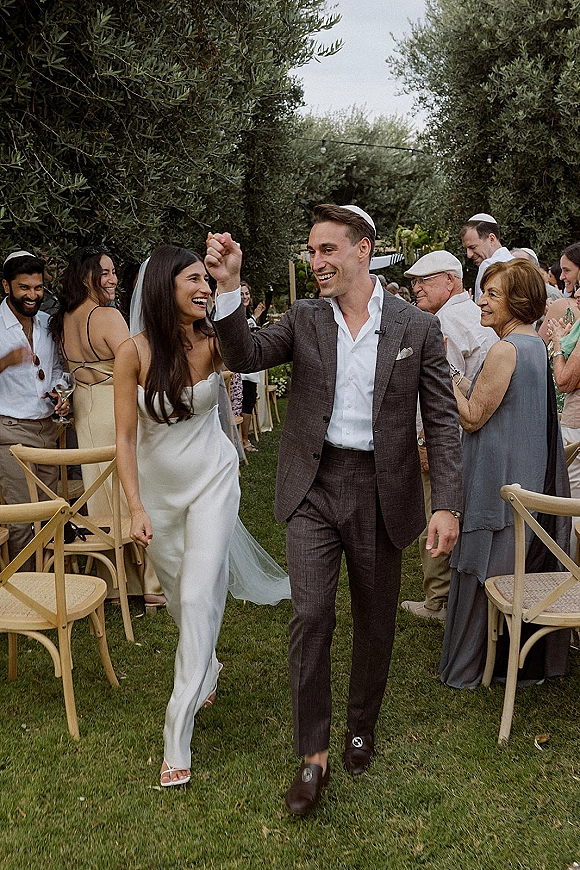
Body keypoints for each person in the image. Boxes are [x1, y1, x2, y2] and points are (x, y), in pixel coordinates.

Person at [207, 204, 463, 816]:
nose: (316, 263)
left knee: (375, 621)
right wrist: (227, 287)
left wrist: (447, 504)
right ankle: (312, 755)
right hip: (314, 488)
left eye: (327, 251)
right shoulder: (303, 318)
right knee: (311, 616)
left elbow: (443, 422)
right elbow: (243, 355)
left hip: (383, 489)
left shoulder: (415, 328)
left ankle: (360, 726)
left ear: (362, 251)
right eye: (312, 252)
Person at [115, 245, 241, 788]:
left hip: (213, 479)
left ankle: (176, 737)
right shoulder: (134, 353)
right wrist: (135, 506)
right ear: (165, 287)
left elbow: (240, 375)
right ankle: (206, 665)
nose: (203, 288)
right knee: (179, 595)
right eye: (194, 279)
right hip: (159, 497)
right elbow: (122, 437)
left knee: (195, 595)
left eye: (206, 282)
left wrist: (229, 283)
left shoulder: (214, 342)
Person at [440, 259, 571, 689]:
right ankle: (504, 662)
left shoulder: (507, 349)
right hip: (523, 475)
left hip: (497, 483)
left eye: (492, 295)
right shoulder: (533, 346)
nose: (481, 301)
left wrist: (444, 368)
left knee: (482, 567)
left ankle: (466, 668)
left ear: (518, 301)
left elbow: (474, 415)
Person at [50, 245, 165, 605]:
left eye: (114, 271)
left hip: (84, 410)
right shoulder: (107, 316)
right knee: (136, 488)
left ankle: (117, 585)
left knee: (101, 493)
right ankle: (151, 585)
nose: (113, 278)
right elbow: (138, 364)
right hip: (114, 407)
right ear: (88, 277)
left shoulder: (63, 320)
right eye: (107, 272)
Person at [399, 250, 497, 621]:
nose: (416, 287)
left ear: (451, 281)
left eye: (425, 280)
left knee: (436, 514)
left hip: (449, 440)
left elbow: (438, 394)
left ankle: (438, 600)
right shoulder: (477, 315)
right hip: (476, 437)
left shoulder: (446, 324)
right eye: (414, 281)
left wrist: (424, 442)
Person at [0, 250, 69, 560]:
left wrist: (59, 392)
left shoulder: (45, 323)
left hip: (47, 430)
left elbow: (55, 370)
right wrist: (5, 361)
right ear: (6, 286)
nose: (32, 295)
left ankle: (49, 585)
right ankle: (23, 595)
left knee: (50, 513)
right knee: (22, 518)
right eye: (24, 288)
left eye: (38, 287)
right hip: (11, 432)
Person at [460, 213, 513, 301]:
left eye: (473, 247)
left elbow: (482, 309)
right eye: (466, 249)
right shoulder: (518, 263)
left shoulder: (488, 265)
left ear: (491, 239)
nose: (469, 255)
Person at [238, 280, 265, 452]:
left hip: (251, 366)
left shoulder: (248, 315)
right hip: (240, 368)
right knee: (243, 402)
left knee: (249, 400)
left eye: (247, 293)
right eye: (241, 294)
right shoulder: (236, 315)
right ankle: (243, 440)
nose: (245, 296)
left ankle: (244, 438)